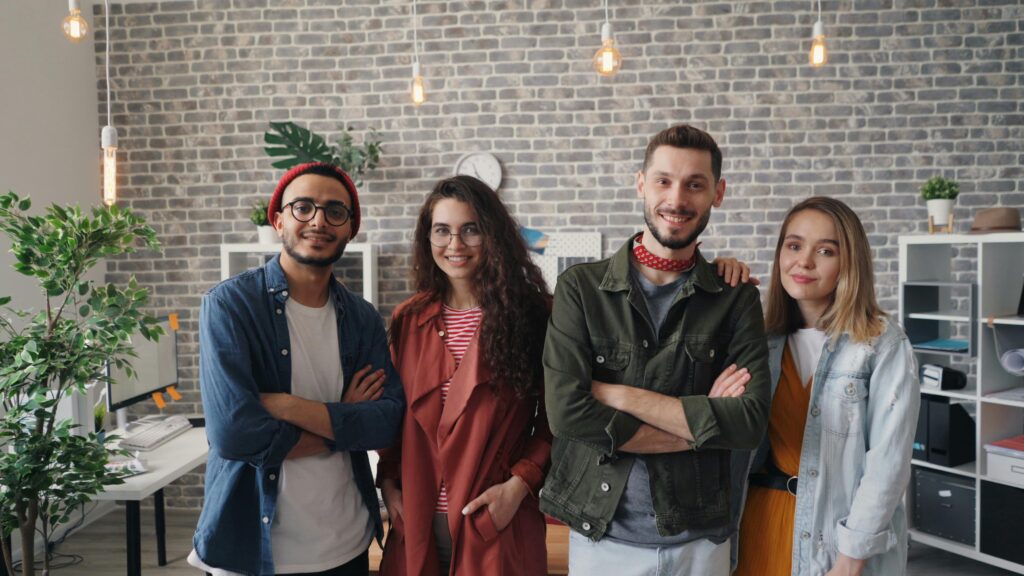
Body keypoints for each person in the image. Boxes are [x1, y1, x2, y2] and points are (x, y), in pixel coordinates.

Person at [541, 124, 771, 575]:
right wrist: (699, 429)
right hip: (603, 538)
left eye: (695, 184)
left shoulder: (735, 298)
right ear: (641, 184)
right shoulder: (580, 289)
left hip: (700, 542)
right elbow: (566, 414)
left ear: (718, 193)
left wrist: (617, 394)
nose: (677, 199)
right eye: (664, 181)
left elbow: (747, 423)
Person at [189, 162, 405, 576]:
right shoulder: (230, 305)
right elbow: (234, 434)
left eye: (335, 211)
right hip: (252, 547)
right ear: (278, 220)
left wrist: (287, 406)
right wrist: (344, 419)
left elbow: (385, 423)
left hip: (347, 542)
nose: (318, 221)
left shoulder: (362, 318)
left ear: (350, 228)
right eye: (303, 207)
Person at [376, 175, 553, 576]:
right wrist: (388, 482)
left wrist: (519, 485)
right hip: (416, 523)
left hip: (497, 524)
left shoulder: (535, 315)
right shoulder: (409, 319)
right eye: (442, 230)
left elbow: (557, 421)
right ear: (427, 238)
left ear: (493, 235)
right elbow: (394, 416)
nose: (455, 244)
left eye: (471, 229)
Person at [733, 196, 919, 576]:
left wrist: (850, 561)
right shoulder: (760, 342)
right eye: (794, 245)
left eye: (825, 251)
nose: (804, 262)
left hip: (836, 543)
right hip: (758, 527)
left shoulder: (882, 344)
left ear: (849, 262)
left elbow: (889, 464)